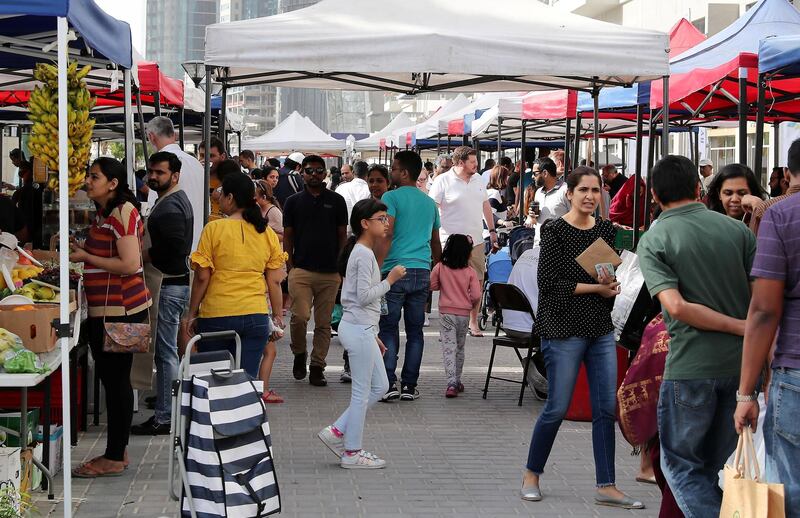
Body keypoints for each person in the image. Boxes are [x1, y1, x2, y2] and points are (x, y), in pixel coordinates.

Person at [637, 155, 755, 518]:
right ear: (697, 188)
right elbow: (762, 302)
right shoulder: (739, 232)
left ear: (654, 195)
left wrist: (738, 326)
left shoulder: (655, 238)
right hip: (740, 367)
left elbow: (676, 307)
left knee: (681, 466)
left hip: (690, 366)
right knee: (722, 466)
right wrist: (745, 331)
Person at [521, 166, 642, 509]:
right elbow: (550, 285)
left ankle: (607, 485)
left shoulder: (606, 229)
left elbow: (609, 274)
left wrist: (612, 287)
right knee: (557, 407)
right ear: (569, 193)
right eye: (583, 190)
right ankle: (532, 474)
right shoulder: (554, 230)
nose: (590, 196)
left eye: (596, 189)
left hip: (600, 328)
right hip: (562, 328)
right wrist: (598, 288)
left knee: (606, 408)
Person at [69, 157, 152, 477]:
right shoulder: (107, 214)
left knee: (116, 383)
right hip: (109, 311)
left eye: (94, 177)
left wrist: (87, 256)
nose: (88, 182)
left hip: (121, 312)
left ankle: (114, 456)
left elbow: (131, 264)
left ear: (113, 183)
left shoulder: (123, 212)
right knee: (113, 382)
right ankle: (118, 450)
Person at [734, 151, 800, 518]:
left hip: (795, 372)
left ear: (789, 173)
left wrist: (747, 392)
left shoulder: (782, 214)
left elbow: (764, 309)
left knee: (791, 493)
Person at [317, 199, 406, 469]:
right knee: (362, 392)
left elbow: (354, 299)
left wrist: (373, 332)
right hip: (358, 328)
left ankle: (336, 433)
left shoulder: (362, 251)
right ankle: (352, 452)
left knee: (379, 386)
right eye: (381, 218)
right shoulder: (363, 253)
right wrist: (390, 280)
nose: (386, 222)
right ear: (365, 224)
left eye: (386, 217)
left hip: (362, 328)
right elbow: (363, 296)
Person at [185, 172, 285, 379]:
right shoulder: (266, 233)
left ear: (230, 198)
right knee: (245, 381)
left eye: (220, 195)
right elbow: (274, 281)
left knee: (213, 380)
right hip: (255, 314)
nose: (218, 199)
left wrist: (192, 313)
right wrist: (277, 316)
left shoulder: (213, 228)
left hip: (216, 315)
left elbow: (202, 277)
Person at [131, 152, 193, 436]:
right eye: (151, 172)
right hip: (171, 284)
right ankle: (167, 409)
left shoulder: (170, 208)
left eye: (160, 172)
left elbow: (177, 247)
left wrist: (143, 254)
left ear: (175, 176)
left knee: (165, 352)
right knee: (166, 351)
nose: (153, 176)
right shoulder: (170, 201)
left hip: (168, 286)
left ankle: (166, 417)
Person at [375, 151, 441, 402]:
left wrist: (378, 265)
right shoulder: (428, 202)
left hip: (394, 270)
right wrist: (436, 265)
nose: (391, 172)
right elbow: (435, 241)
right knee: (415, 332)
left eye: (393, 168)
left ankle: (389, 382)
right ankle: (409, 386)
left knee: (388, 328)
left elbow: (387, 232)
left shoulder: (390, 197)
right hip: (421, 270)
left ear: (403, 172)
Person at [284, 155, 348, 386]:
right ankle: (299, 353)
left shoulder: (337, 201)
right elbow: (288, 236)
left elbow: (342, 235)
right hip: (301, 270)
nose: (314, 175)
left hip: (330, 272)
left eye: (319, 171)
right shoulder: (292, 202)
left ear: (325, 174)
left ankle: (318, 366)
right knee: (299, 317)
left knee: (324, 324)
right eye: (309, 171)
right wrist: (290, 266)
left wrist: (341, 267)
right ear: (302, 173)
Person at [429, 146, 497, 337]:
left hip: (475, 240)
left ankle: (473, 322)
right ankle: (448, 324)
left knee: (477, 280)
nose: (476, 165)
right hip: (450, 241)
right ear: (460, 163)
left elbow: (485, 205)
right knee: (449, 282)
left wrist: (491, 230)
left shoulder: (478, 180)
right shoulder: (442, 181)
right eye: (473, 162)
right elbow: (433, 208)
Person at [430, 234, 481, 398]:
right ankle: (457, 380)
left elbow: (432, 285)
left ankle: (451, 383)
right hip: (464, 314)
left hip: (446, 313)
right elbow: (477, 295)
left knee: (448, 348)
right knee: (460, 348)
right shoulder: (470, 272)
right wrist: (470, 304)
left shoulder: (440, 267)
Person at [145, 116, 204, 251]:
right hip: (198, 246)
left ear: (151, 137)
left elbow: (154, 210)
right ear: (174, 135)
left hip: (173, 251)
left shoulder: (160, 167)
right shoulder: (195, 163)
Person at [255, 179, 285, 403]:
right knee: (269, 350)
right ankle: (260, 390)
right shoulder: (263, 236)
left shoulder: (218, 229)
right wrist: (277, 315)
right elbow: (273, 281)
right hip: (256, 302)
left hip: (231, 303)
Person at [744, 142, 800, 235]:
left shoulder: (767, 209)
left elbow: (756, 247)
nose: (769, 183)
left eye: (772, 179)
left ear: (786, 173)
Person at [8, 149, 42, 248]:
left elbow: (28, 186)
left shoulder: (27, 168)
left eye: (14, 160)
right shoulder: (24, 168)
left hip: (30, 199)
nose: (13, 163)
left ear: (19, 158)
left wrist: (17, 191)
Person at [528, 158, 570, 228]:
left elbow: (577, 218)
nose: (532, 176)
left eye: (535, 173)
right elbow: (537, 221)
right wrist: (532, 217)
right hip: (538, 238)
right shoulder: (538, 192)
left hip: (559, 238)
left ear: (545, 173)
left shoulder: (565, 190)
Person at [199, 138, 229, 222]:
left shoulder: (229, 180)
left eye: (211, 156)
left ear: (222, 157)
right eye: (202, 155)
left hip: (223, 228)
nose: (205, 160)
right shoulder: (196, 178)